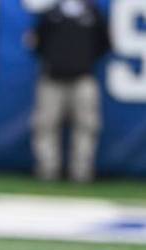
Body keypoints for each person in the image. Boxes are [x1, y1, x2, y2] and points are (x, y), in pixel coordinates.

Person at [29, 0, 111, 182]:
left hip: (83, 78)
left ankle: (81, 173)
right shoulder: (51, 14)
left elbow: (105, 43)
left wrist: (82, 61)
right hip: (52, 78)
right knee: (45, 124)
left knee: (86, 126)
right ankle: (47, 170)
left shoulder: (93, 14)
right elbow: (37, 43)